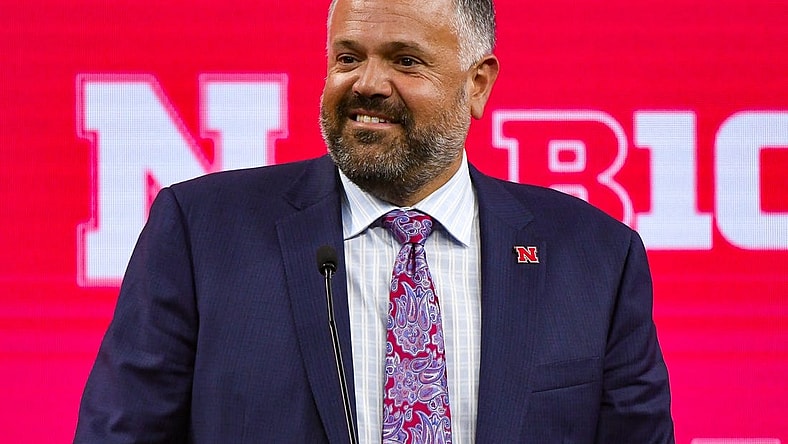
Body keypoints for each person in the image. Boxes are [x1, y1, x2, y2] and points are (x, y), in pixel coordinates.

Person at [74, 0, 674, 442]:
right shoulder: (202, 233)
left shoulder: (595, 258)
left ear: (477, 84)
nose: (366, 84)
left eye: (405, 61)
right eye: (348, 58)